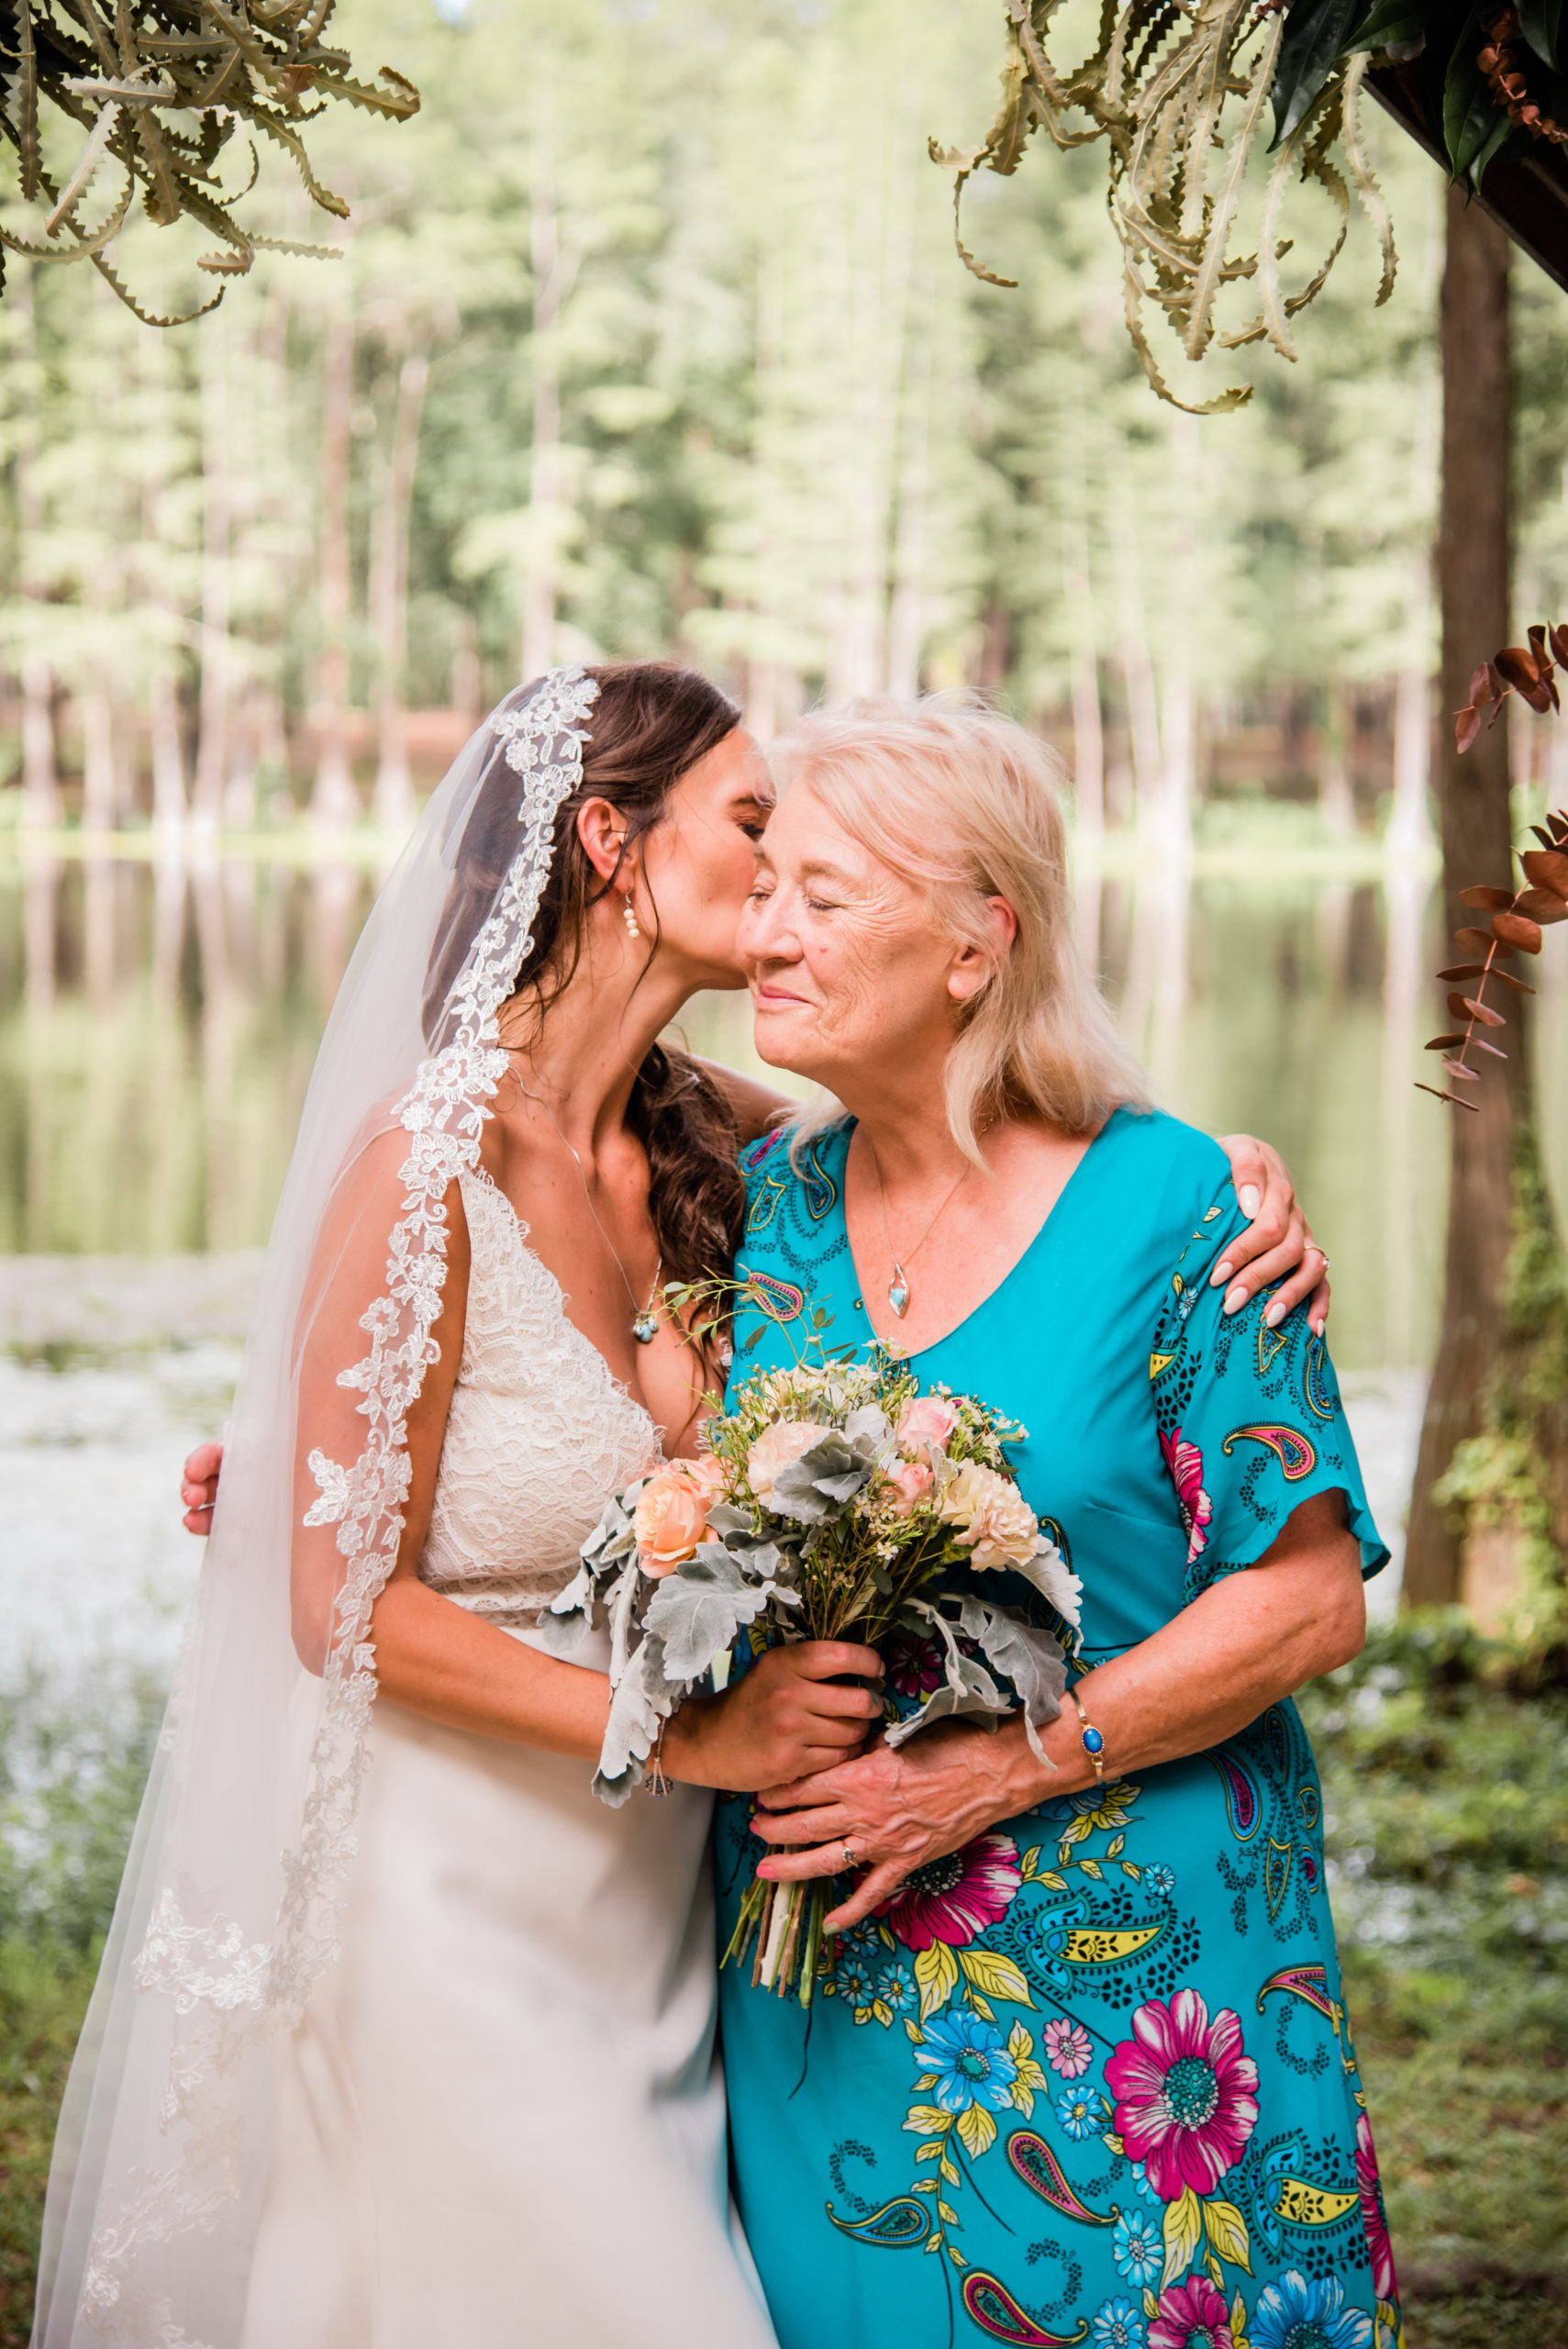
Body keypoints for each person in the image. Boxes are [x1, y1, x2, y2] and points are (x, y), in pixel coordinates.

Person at [150, 669, 1324, 2349]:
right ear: (610, 845)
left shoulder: (735, 1159)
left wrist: (1235, 1169)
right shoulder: (429, 1159)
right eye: (754, 833)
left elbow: (996, 1146)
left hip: (657, 1916)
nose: (775, 894)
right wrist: (279, 1457)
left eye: (809, 871)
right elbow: (349, 1555)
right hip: (466, 1889)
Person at [712, 697, 1402, 2349]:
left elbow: (1307, 1605)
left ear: (976, 942)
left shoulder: (1177, 1205)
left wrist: (992, 1773)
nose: (768, 933)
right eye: (765, 885)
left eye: (825, 893)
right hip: (836, 1970)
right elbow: (512, 1185)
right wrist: (325, 1464)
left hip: (1148, 1979)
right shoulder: (770, 1207)